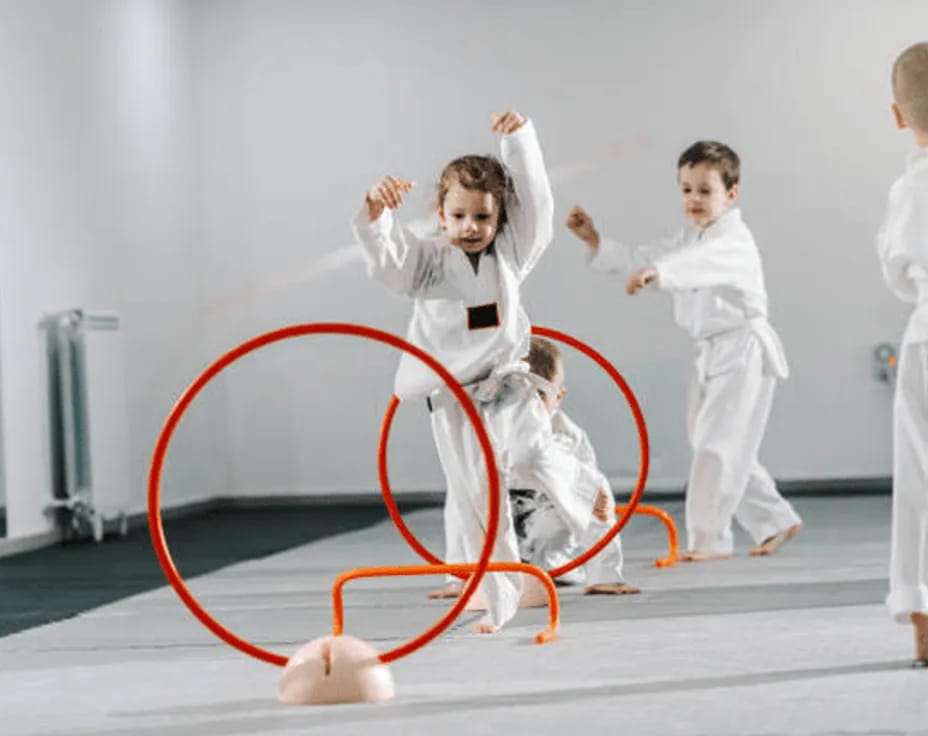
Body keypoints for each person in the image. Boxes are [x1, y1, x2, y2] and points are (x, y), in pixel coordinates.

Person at [353, 109, 554, 632]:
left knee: (536, 460)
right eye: (459, 216)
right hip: (455, 399)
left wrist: (519, 141)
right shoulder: (426, 263)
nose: (471, 228)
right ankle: (496, 594)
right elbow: (388, 260)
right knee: (475, 493)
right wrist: (377, 213)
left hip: (508, 387)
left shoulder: (510, 256)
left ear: (500, 220)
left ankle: (578, 501)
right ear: (440, 214)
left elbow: (536, 205)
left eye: (483, 218)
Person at [566, 140, 802, 562]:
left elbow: (699, 264)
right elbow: (643, 256)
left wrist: (661, 273)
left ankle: (708, 539)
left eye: (704, 191)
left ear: (731, 194)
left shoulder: (733, 241)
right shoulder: (691, 237)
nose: (693, 199)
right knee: (713, 441)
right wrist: (596, 241)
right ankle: (775, 519)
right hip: (711, 352)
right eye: (686, 189)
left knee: (717, 444)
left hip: (741, 349)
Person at [509, 336, 639, 595]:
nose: (529, 410)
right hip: (502, 516)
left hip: (548, 514)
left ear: (558, 398)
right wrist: (457, 577)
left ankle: (567, 567)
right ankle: (475, 573)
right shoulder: (491, 429)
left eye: (539, 398)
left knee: (585, 500)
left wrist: (605, 574)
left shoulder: (568, 437)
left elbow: (595, 507)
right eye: (522, 400)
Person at [877, 41, 928, 667]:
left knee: (920, 477)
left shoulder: (909, 188)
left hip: (927, 334)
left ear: (897, 115)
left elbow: (896, 268)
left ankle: (923, 612)